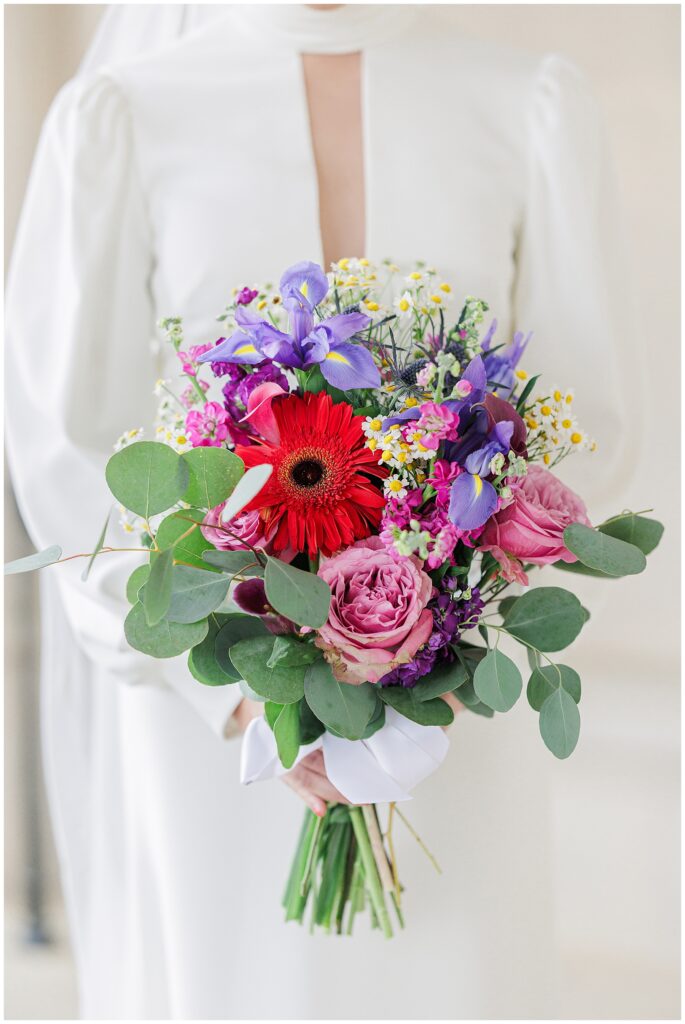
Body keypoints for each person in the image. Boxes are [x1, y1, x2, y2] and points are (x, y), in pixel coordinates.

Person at [6, 5, 629, 1017]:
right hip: (214, 711)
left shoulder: (527, 105)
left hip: (452, 707)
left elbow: (589, 415)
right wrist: (244, 694)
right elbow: (71, 441)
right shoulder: (127, 112)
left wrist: (459, 621)